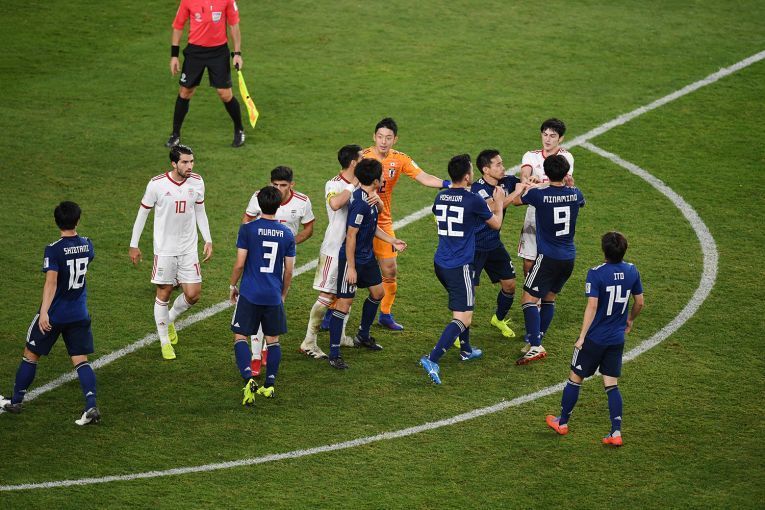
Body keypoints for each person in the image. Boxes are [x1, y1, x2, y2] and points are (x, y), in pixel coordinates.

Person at [0, 202, 100, 425]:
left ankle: (15, 401)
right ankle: (91, 406)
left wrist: (44, 312)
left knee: (30, 354)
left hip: (55, 314)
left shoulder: (53, 249)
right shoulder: (87, 244)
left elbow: (51, 282)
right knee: (81, 360)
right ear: (78, 220)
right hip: (79, 313)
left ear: (56, 222)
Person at [546, 231, 644, 446]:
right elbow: (639, 302)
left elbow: (592, 306)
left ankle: (562, 422)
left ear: (604, 250)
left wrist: (582, 336)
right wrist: (630, 319)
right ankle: (615, 432)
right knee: (611, 385)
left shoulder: (596, 273)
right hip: (616, 339)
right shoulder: (632, 270)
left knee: (575, 378)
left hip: (595, 339)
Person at [419, 154, 508, 385]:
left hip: (441, 262)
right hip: (459, 265)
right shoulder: (473, 200)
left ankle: (466, 349)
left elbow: (439, 213)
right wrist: (498, 202)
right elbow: (496, 224)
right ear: (467, 176)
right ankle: (432, 358)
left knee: (464, 305)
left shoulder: (441, 196)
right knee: (464, 317)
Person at [362, 117, 451, 331]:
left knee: (390, 270)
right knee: (348, 268)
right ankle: (331, 312)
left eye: (388, 138)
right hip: (360, 220)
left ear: (395, 139)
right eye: (380, 137)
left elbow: (423, 177)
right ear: (374, 137)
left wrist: (448, 184)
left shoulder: (399, 159)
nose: (383, 141)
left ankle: (385, 314)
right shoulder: (362, 157)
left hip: (383, 221)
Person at [129, 144, 213, 360]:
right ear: (174, 163)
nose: (190, 166)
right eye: (185, 162)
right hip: (165, 249)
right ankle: (165, 342)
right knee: (164, 292)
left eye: (191, 161)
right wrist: (134, 244)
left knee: (193, 294)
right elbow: (142, 214)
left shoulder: (197, 181)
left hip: (188, 248)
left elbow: (200, 211)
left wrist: (208, 239)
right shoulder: (156, 184)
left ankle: (170, 319)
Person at [328, 158, 407, 369]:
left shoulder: (369, 198)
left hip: (367, 257)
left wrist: (392, 240)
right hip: (353, 259)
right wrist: (351, 268)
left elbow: (371, 226)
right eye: (381, 176)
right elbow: (351, 236)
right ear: (375, 181)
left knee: (378, 293)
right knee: (344, 304)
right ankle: (334, 353)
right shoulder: (360, 203)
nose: (383, 178)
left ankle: (363, 335)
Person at [511, 154, 585, 365]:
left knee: (528, 300)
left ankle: (535, 345)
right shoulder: (575, 193)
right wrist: (571, 185)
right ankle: (537, 339)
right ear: (566, 173)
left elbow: (516, 200)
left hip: (548, 257)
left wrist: (528, 186)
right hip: (568, 257)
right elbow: (580, 201)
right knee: (549, 298)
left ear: (545, 172)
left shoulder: (539, 195)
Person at [243, 166, 314, 374]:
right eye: (275, 184)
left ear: (292, 185)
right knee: (258, 304)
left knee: (275, 304)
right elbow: (246, 221)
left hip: (283, 261)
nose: (279, 189)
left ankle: (267, 346)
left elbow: (309, 228)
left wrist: (289, 244)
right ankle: (256, 356)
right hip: (259, 259)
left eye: (283, 185)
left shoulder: (302, 201)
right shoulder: (259, 197)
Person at [229, 186, 295, 403]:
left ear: (258, 204)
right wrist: (282, 294)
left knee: (240, 336)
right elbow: (289, 270)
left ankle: (248, 378)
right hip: (273, 295)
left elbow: (240, 264)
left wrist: (232, 285)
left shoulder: (247, 229)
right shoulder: (287, 233)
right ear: (279, 204)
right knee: (273, 340)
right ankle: (269, 385)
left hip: (250, 293)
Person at [303, 145, 367, 360]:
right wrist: (353, 185)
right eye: (362, 158)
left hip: (353, 249)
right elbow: (335, 204)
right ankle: (308, 341)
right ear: (353, 163)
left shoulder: (363, 183)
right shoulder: (334, 184)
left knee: (347, 294)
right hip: (334, 248)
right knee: (328, 295)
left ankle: (339, 335)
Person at [165, 0, 246, 148]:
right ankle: (175, 134)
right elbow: (178, 25)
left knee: (225, 94)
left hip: (218, 52)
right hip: (195, 52)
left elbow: (234, 25)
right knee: (185, 92)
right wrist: (174, 56)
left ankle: (239, 129)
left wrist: (237, 53)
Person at [471, 149, 525, 340]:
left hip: (494, 245)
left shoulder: (507, 181)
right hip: (474, 248)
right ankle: (459, 334)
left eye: (502, 163)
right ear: (486, 169)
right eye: (498, 164)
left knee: (510, 285)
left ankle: (498, 319)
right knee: (468, 294)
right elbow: (493, 207)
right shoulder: (477, 189)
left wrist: (531, 182)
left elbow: (524, 184)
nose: (503, 167)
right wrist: (515, 193)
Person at [517, 118, 575, 277]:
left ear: (560, 138)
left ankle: (546, 291)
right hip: (533, 213)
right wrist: (528, 179)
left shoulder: (566, 157)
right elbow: (524, 175)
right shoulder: (530, 155)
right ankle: (530, 288)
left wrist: (536, 186)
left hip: (554, 212)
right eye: (545, 134)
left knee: (552, 256)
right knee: (529, 257)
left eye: (552, 136)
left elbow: (561, 182)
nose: (547, 139)